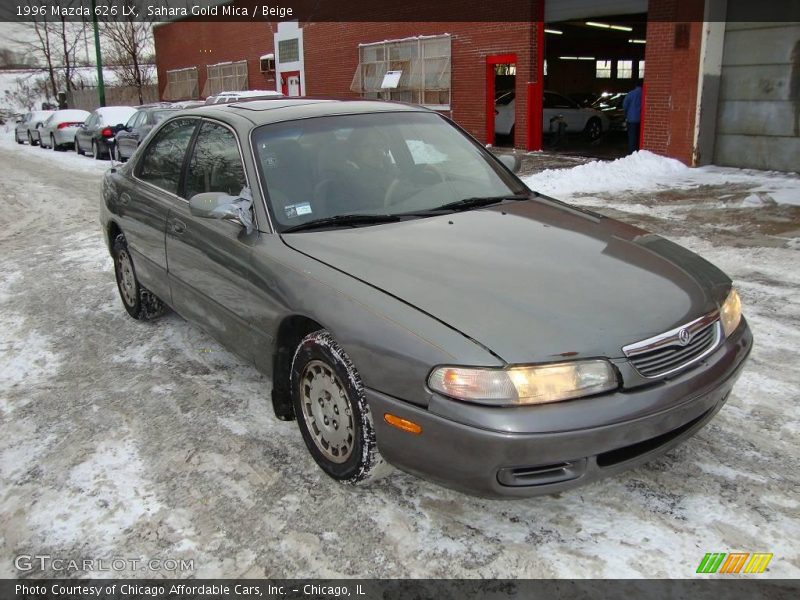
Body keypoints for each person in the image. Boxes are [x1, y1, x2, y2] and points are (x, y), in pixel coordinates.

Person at [623, 79, 643, 154]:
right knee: (639, 138)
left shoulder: (631, 94)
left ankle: (632, 154)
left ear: (635, 85)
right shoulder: (644, 94)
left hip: (632, 119)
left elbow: (625, 105)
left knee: (632, 138)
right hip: (642, 120)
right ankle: (639, 152)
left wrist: (626, 114)